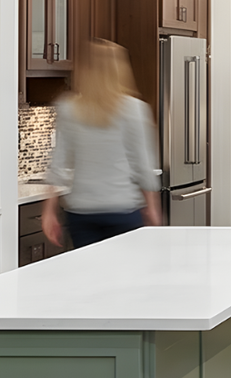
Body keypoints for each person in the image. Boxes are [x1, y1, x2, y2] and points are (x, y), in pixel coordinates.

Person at [42, 39, 164, 249]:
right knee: (125, 277)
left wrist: (49, 211)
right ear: (120, 69)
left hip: (82, 213)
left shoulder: (68, 108)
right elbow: (142, 165)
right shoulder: (134, 109)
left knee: (90, 279)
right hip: (123, 210)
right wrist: (153, 207)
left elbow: (59, 163)